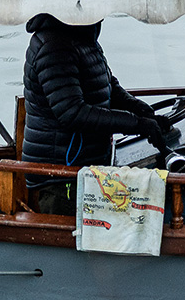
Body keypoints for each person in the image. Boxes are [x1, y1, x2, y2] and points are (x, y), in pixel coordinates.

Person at [21, 14, 174, 215]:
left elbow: (107, 85)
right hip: (61, 175)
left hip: (87, 168)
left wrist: (142, 110)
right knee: (73, 242)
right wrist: (136, 124)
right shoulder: (53, 46)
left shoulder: (82, 37)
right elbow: (73, 113)